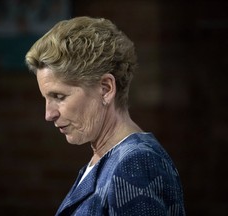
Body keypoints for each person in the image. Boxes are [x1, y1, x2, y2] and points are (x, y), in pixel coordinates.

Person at [25, 16, 185, 216]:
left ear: (106, 88)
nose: (49, 114)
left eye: (59, 96)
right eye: (46, 98)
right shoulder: (106, 159)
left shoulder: (135, 163)